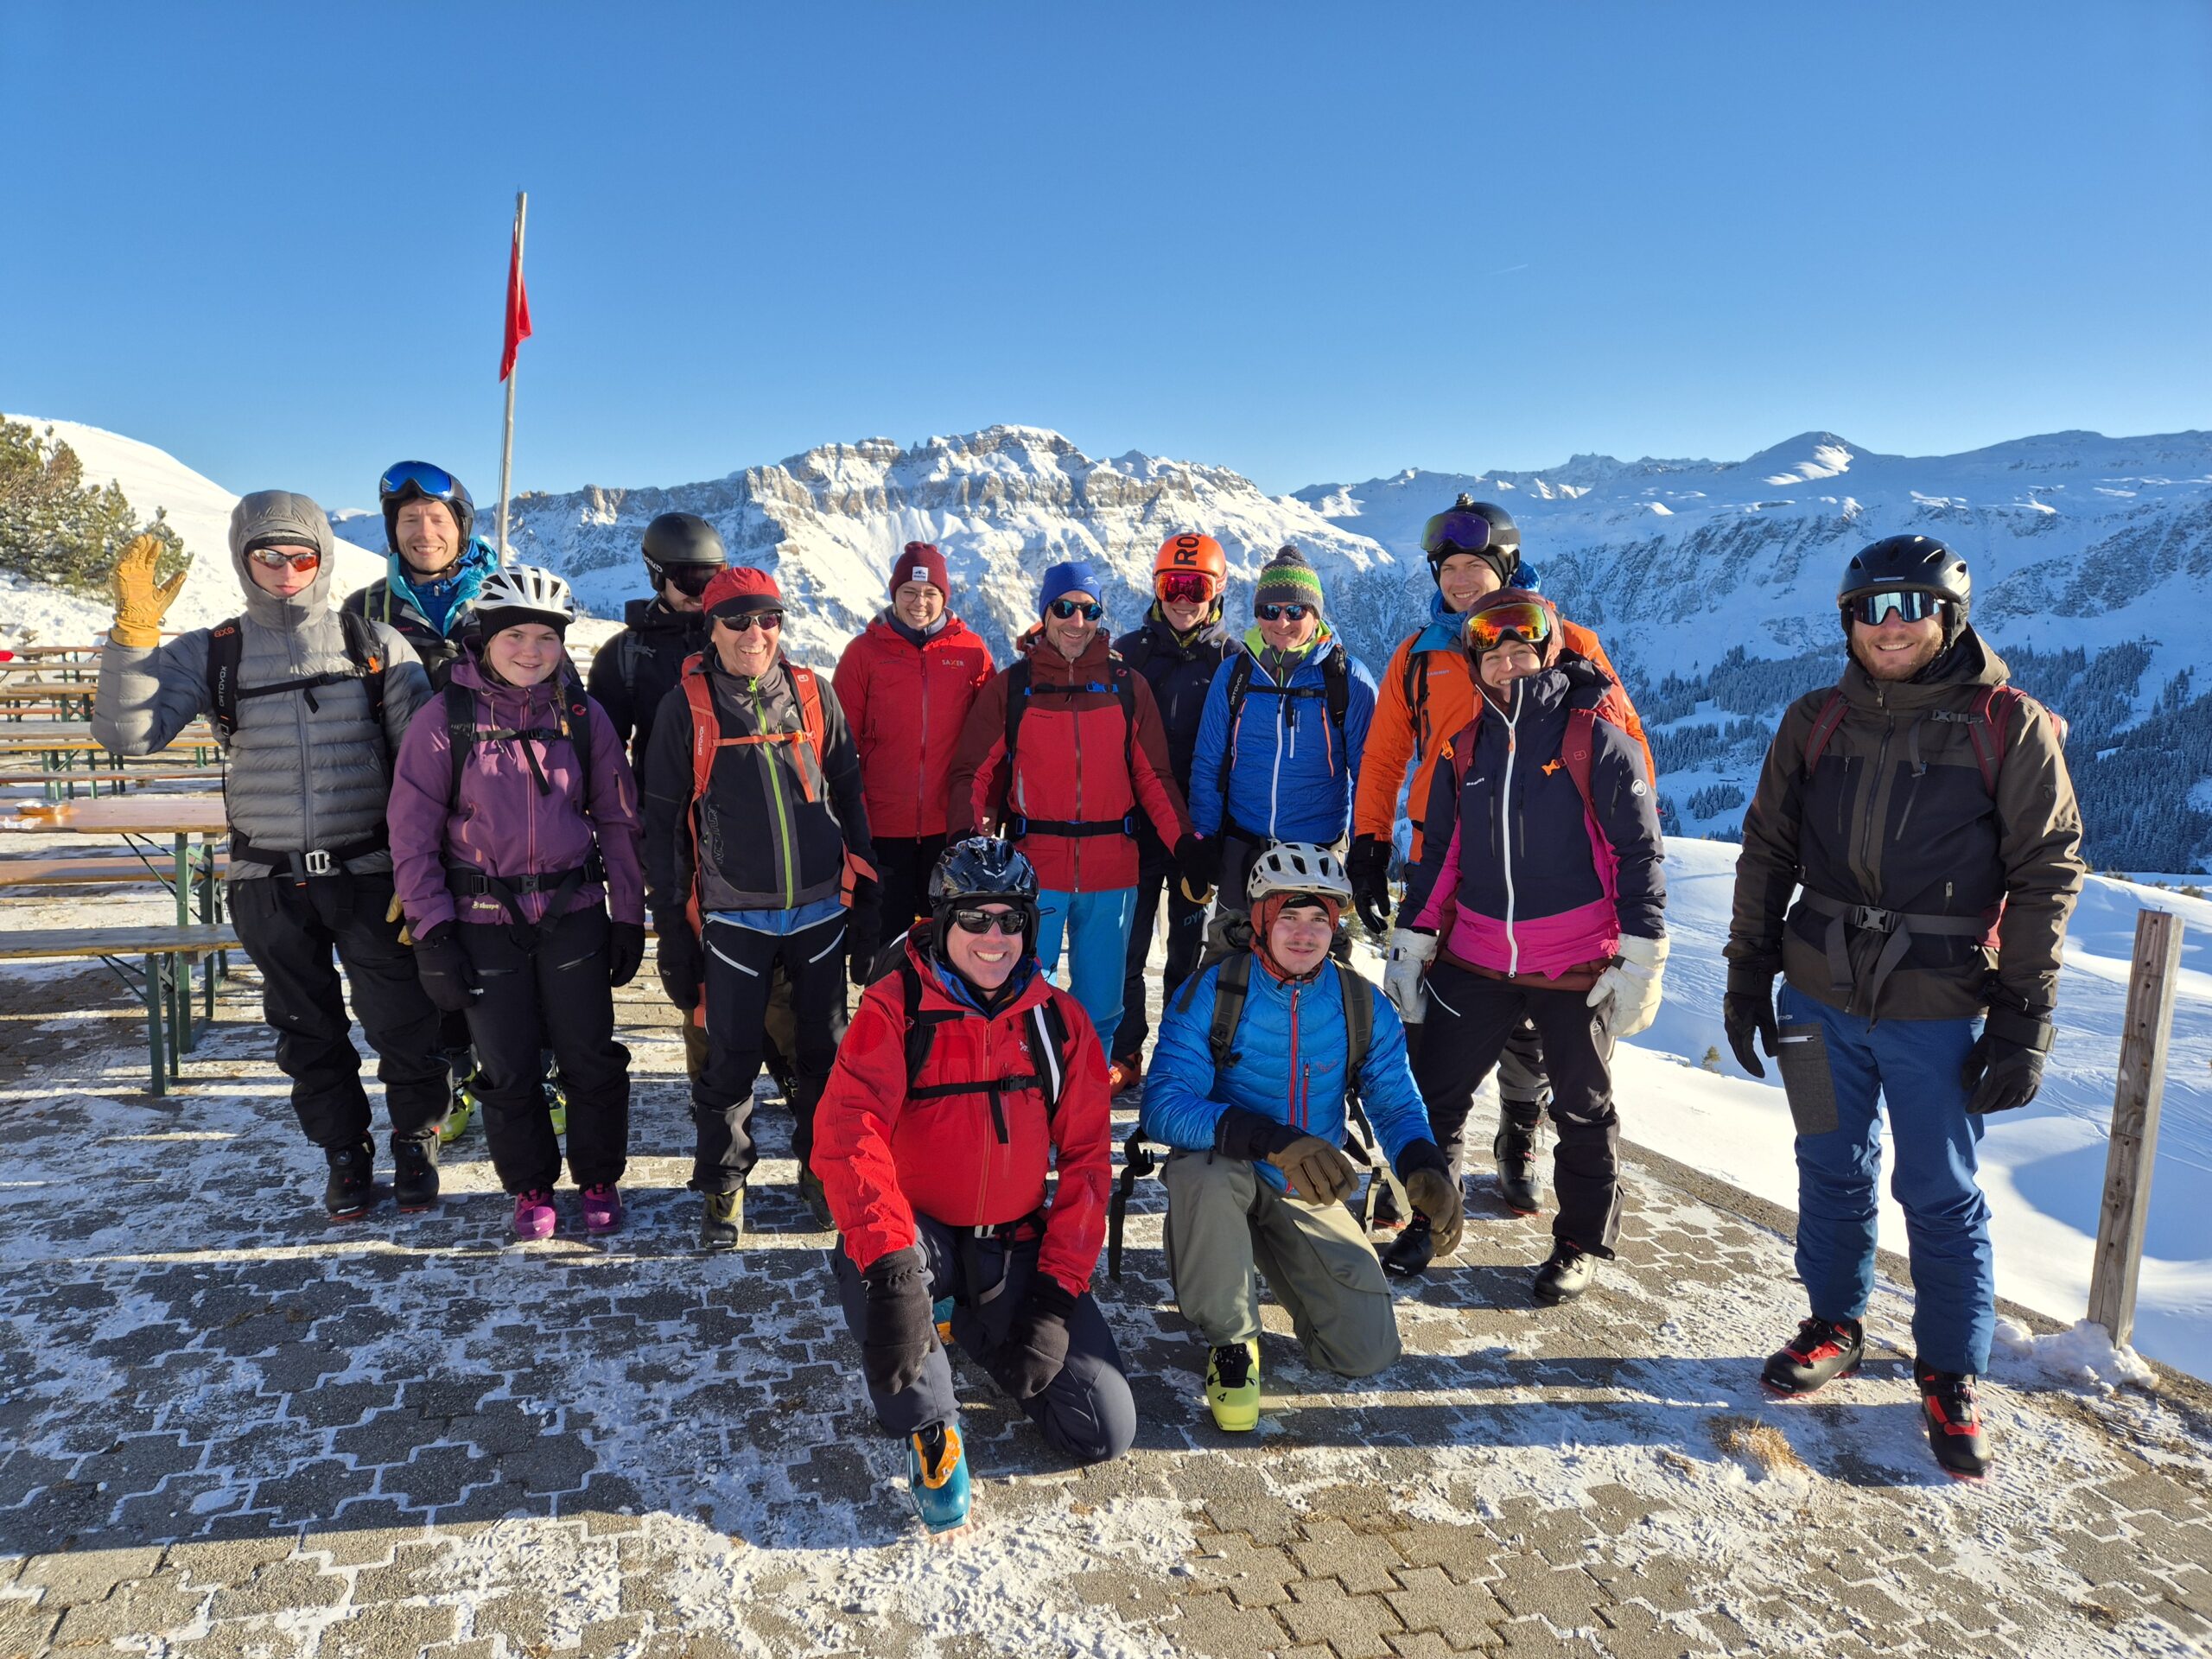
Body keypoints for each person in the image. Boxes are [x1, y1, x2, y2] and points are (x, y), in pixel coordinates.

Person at [1724, 534, 2085, 1481]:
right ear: (1848, 622)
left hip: (1939, 1004)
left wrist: (2023, 1019)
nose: (1891, 627)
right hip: (1815, 995)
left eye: (1913, 607)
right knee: (1827, 1162)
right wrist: (1747, 972)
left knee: (1939, 1190)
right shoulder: (1815, 720)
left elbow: (2045, 875)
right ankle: (1834, 1323)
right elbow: (1767, 849)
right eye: (1871, 609)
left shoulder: (2007, 725)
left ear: (1949, 619)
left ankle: (1949, 1370)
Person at [92, 498, 441, 1219]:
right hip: (267, 878)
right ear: (244, 559)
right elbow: (130, 737)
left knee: (403, 1021)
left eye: (302, 557)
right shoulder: (213, 650)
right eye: (268, 556)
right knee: (305, 1028)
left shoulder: (373, 643)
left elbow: (423, 776)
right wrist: (132, 639)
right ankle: (344, 1153)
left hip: (371, 873)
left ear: (324, 558)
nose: (287, 571)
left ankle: (416, 1139)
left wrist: (422, 873)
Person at [812, 838, 1135, 1534]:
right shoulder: (894, 1008)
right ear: (942, 923)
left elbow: (1086, 1164)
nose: (994, 937)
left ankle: (973, 1325)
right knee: (874, 1272)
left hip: (1009, 1239)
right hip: (917, 1235)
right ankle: (931, 1423)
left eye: (1010, 920)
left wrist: (1055, 1299)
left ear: (1030, 928)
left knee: (1101, 1429)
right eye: (974, 918)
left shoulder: (1061, 1022)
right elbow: (847, 1136)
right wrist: (893, 1272)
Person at [1353, 498, 1654, 1227]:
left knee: (1536, 1029)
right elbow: (1386, 755)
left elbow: (1625, 752)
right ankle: (1421, 1173)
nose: (1460, 580)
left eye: (1475, 566)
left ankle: (1519, 1136)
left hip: (1548, 871)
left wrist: (1627, 892)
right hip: (1440, 860)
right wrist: (1368, 841)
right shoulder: (1420, 654)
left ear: (1508, 567)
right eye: (1448, 569)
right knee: (1434, 1021)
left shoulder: (1568, 641)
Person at [1389, 590, 1667, 1299]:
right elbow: (1442, 854)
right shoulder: (1465, 748)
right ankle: (1429, 1217)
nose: (1508, 666)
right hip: (1477, 954)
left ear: (1549, 655)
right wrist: (1414, 938)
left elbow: (1638, 854)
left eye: (1522, 652)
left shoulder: (1596, 741)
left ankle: (1578, 1242)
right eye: (1493, 656)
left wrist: (1642, 954)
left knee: (1582, 1108)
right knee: (1433, 1093)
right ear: (1475, 666)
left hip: (1574, 959)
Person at [1139, 845, 1462, 1431]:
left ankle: (1265, 1248)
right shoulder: (1213, 991)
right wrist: (1271, 1140)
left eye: (1320, 918)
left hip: (1306, 1185)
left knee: (1363, 1352)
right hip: (1229, 1171)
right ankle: (1231, 1340)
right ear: (1262, 919)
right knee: (1203, 1173)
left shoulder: (1360, 1004)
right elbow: (1164, 1105)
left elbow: (1394, 1101)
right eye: (1289, 915)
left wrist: (1424, 1164)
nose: (1305, 933)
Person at [387, 567, 645, 1238]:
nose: (532, 651)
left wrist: (627, 915)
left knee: (590, 1057)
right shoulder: (445, 718)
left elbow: (619, 821)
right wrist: (432, 934)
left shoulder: (583, 717)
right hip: (481, 920)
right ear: (487, 638)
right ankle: (531, 1187)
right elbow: (411, 837)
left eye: (546, 637)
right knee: (507, 1066)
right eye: (516, 635)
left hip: (573, 912)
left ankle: (599, 1177)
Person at [640, 566, 877, 1245]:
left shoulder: (812, 693)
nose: (755, 633)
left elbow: (850, 795)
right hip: (733, 915)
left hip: (821, 912)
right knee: (730, 1060)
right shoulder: (685, 708)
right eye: (738, 620)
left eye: (768, 618)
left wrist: (867, 894)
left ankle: (824, 1172)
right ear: (711, 628)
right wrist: (672, 931)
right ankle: (724, 1188)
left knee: (825, 1057)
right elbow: (662, 827)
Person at [947, 560, 1198, 1046]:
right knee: (1021, 1000)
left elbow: (1154, 778)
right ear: (1046, 612)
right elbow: (971, 772)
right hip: (1032, 872)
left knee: (1100, 1010)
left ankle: (1088, 1091)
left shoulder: (1127, 686)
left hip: (1112, 870)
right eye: (1064, 608)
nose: (1076, 621)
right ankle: (1027, 1090)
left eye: (1089, 610)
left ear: (1101, 615)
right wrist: (965, 841)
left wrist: (1183, 842)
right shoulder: (1014, 686)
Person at [587, 512, 726, 1084]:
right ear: (656, 575)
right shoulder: (626, 655)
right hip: (668, 828)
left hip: (739, 823)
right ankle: (714, 1079)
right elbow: (603, 755)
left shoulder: (735, 634)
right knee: (693, 957)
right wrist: (627, 827)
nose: (702, 593)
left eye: (712, 579)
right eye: (689, 580)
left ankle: (778, 1060)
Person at [1108, 532, 1236, 1095]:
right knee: (1128, 951)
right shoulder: (1129, 654)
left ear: (1218, 591)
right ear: (1157, 589)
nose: (1184, 599)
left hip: (1199, 836)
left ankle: (1180, 1056)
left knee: (1189, 953)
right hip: (1136, 830)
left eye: (1196, 587)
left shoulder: (1234, 661)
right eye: (1172, 586)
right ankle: (1126, 1051)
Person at [1186, 546, 1376, 910]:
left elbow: (1369, 774)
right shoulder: (1235, 674)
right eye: (1270, 611)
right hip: (1243, 851)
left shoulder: (1346, 679)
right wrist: (1203, 839)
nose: (1282, 622)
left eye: (1296, 611)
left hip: (1317, 857)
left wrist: (1364, 856)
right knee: (1231, 944)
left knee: (1306, 945)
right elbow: (1208, 763)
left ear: (1315, 614)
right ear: (1258, 615)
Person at [831, 542, 995, 946]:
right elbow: (837, 743)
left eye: (930, 593)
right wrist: (847, 817)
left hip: (950, 825)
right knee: (884, 943)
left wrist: (988, 806)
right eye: (909, 591)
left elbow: (991, 741)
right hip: (881, 827)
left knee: (948, 941)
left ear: (944, 596)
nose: (919, 602)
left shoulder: (971, 652)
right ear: (894, 593)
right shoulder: (863, 654)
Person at [342, 461, 499, 690]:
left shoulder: (505, 600)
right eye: (411, 520)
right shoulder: (363, 610)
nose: (425, 533)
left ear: (461, 529)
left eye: (438, 520)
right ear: (393, 530)